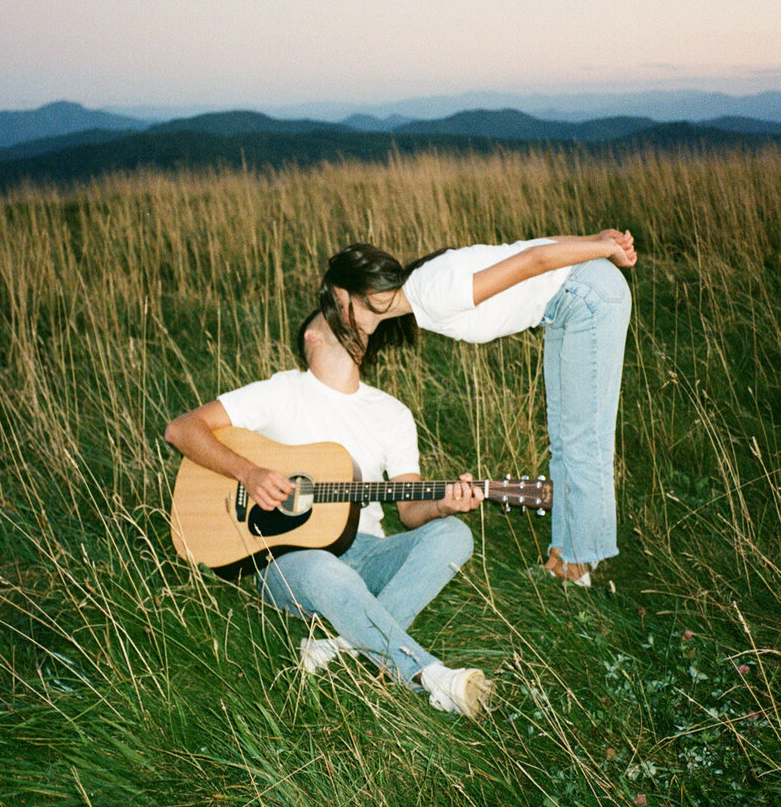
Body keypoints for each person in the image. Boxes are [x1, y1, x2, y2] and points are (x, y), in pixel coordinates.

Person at [164, 310, 492, 718]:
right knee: (325, 569)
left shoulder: (392, 413)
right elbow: (181, 430)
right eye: (337, 311)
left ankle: (344, 645)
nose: (353, 316)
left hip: (365, 551)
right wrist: (248, 473)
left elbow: (409, 510)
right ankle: (430, 676)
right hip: (287, 561)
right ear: (312, 336)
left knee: (454, 535)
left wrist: (442, 504)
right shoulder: (280, 391)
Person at [319, 230, 637, 587]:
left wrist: (605, 248)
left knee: (582, 438)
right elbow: (525, 249)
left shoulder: (431, 292)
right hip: (570, 302)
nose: (341, 319)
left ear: (363, 286)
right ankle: (563, 558)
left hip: (586, 297)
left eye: (339, 302)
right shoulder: (423, 297)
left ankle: (579, 566)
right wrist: (593, 239)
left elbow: (535, 261)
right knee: (565, 440)